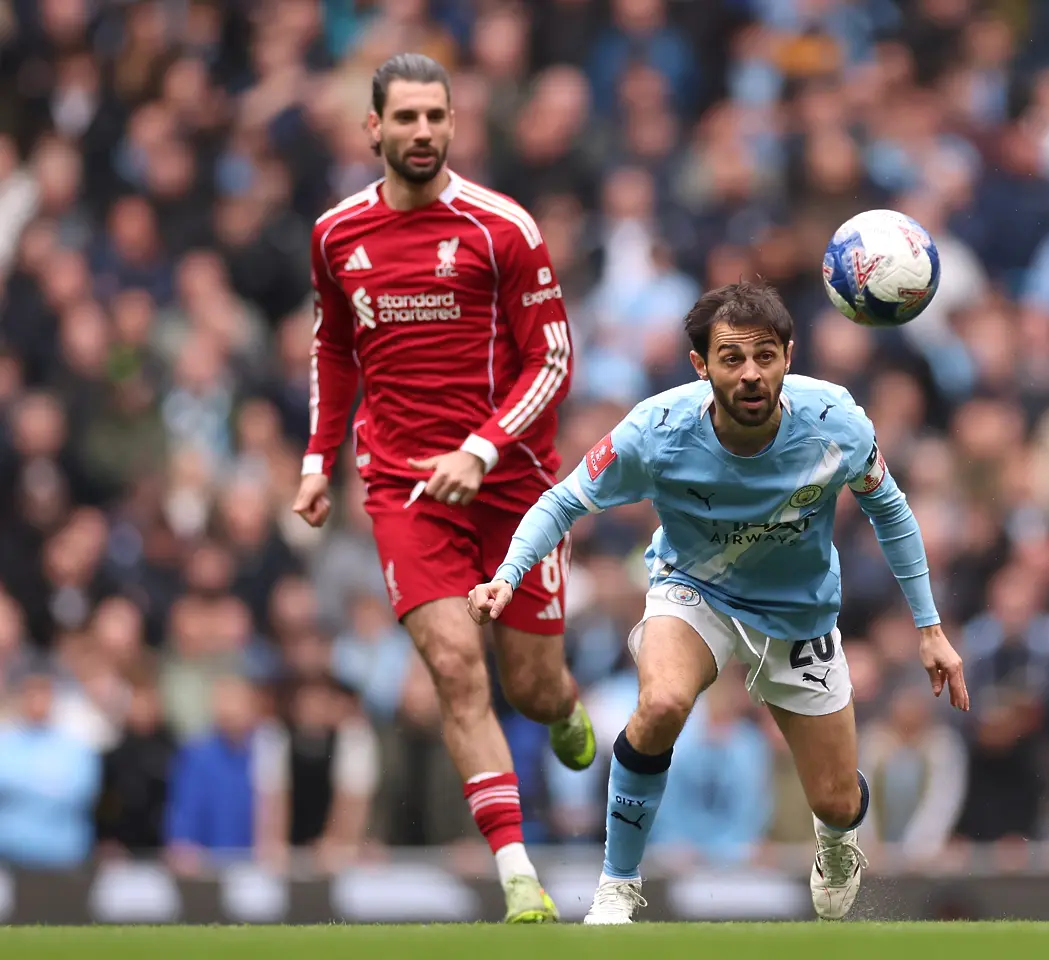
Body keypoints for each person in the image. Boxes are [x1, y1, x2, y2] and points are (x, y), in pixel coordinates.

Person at [469, 281, 971, 923]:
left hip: (798, 616)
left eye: (765, 356)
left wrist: (929, 628)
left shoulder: (836, 421)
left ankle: (838, 840)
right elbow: (564, 500)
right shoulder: (655, 431)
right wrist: (508, 575)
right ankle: (618, 883)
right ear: (700, 366)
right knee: (662, 703)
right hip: (693, 590)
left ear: (789, 355)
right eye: (732, 359)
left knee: (837, 799)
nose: (752, 374)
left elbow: (891, 511)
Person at [290, 52, 592, 923]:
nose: (421, 131)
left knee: (530, 689)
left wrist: (483, 451)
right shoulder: (336, 235)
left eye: (436, 116)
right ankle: (518, 879)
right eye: (405, 117)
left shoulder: (503, 227)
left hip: (512, 489)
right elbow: (334, 348)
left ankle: (562, 706)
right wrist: (317, 460)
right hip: (403, 490)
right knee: (456, 668)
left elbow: (554, 358)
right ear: (372, 129)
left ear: (454, 125)